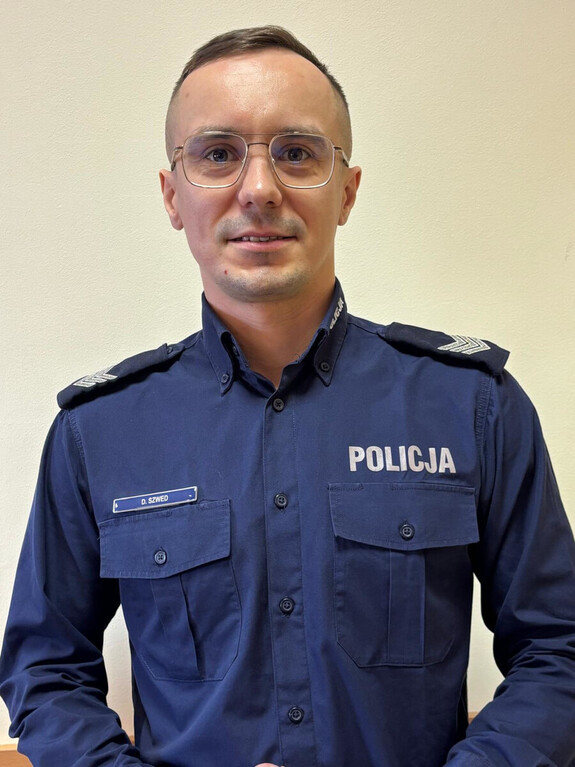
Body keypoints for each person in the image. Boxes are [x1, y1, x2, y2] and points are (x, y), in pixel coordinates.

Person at [1, 24, 575, 767]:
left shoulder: (472, 407)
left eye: (297, 153)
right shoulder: (99, 431)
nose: (259, 189)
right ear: (173, 196)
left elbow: (558, 649)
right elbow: (46, 669)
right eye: (217, 154)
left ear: (348, 190)